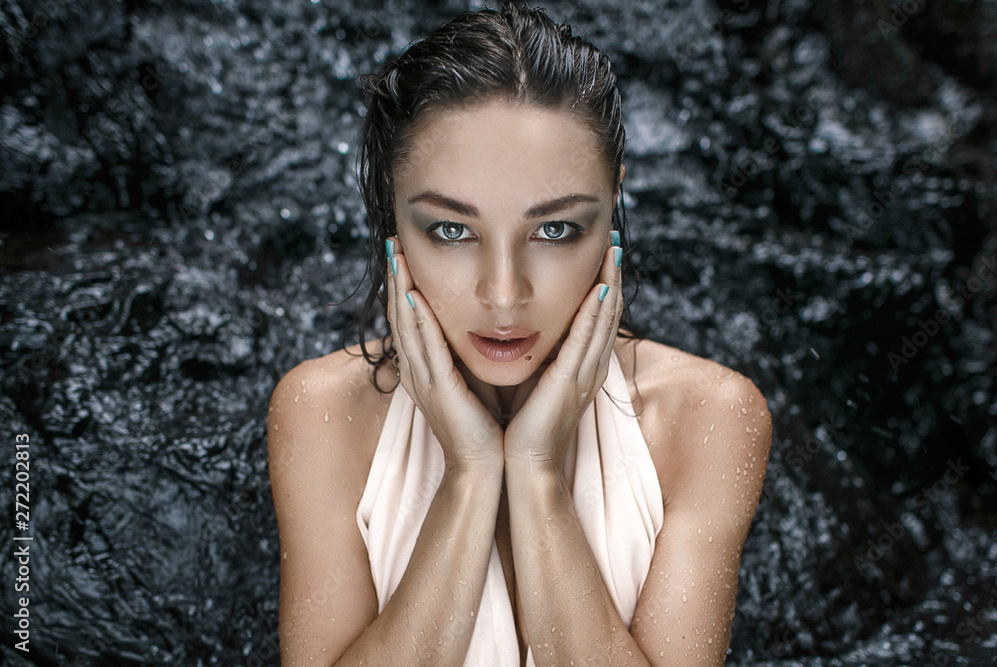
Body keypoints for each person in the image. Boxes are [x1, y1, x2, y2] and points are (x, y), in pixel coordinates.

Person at [266, 2, 772, 665]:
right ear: (393, 210)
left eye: (556, 229)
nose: (504, 295)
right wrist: (470, 473)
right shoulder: (322, 412)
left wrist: (536, 473)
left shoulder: (709, 419)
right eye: (451, 229)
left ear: (613, 203)